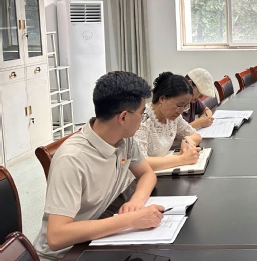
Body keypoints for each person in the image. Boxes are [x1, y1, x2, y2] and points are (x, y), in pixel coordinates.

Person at [34, 71, 164, 261]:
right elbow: (56, 237)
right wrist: (129, 220)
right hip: (65, 255)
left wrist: (136, 201)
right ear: (123, 117)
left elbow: (147, 174)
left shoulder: (124, 140)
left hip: (95, 237)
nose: (143, 119)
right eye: (142, 113)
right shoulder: (72, 159)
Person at [134, 72, 203, 172]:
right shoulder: (143, 119)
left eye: (185, 106)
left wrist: (188, 140)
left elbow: (196, 136)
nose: (181, 111)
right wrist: (182, 159)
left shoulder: (173, 117)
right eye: (179, 105)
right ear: (162, 99)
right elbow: (142, 162)